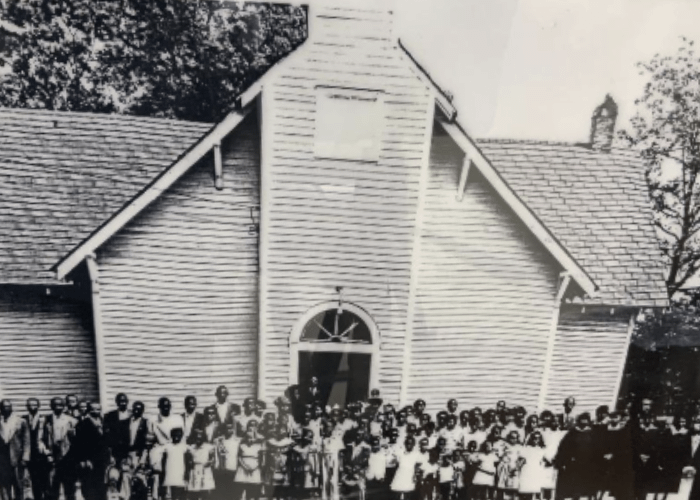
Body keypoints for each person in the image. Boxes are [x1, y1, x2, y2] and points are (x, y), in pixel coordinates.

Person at [555, 412, 596, 500]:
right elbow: (564, 447)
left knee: (582, 487)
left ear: (588, 421)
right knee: (573, 486)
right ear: (579, 421)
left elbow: (595, 448)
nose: (584, 421)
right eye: (582, 419)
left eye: (586, 419)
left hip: (586, 464)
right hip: (573, 463)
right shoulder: (572, 432)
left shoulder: (592, 433)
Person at [74, 402, 110, 500]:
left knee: (101, 483)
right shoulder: (82, 424)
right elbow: (79, 444)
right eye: (93, 409)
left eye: (98, 409)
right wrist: (84, 459)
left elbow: (107, 441)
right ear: (89, 410)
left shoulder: (103, 423)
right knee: (89, 483)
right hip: (89, 459)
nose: (96, 411)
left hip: (101, 458)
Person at [43, 396, 77, 500]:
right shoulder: (46, 420)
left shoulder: (71, 420)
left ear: (64, 406)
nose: (58, 407)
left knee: (69, 486)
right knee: (53, 486)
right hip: (52, 456)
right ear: (51, 406)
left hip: (67, 456)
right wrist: (47, 452)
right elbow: (40, 439)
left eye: (60, 405)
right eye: (55, 405)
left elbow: (77, 441)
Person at [0, 399, 30, 500]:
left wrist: (25, 457)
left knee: (18, 484)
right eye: (3, 407)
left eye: (8, 406)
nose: (6, 409)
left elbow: (26, 441)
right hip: (2, 459)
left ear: (11, 408)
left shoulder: (20, 421)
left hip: (17, 458)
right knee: (4, 485)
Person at [24, 398, 50, 500]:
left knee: (45, 480)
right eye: (30, 405)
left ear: (39, 406)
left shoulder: (45, 419)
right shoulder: (23, 419)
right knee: (34, 481)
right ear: (27, 407)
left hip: (43, 454)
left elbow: (49, 437)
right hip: (31, 455)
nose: (32, 407)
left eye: (35, 405)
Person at [235, 421, 264, 500]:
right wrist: (245, 466)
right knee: (242, 489)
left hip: (255, 468)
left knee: (253, 489)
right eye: (249, 430)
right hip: (243, 468)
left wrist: (254, 467)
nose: (250, 433)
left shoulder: (259, 444)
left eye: (252, 431)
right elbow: (239, 457)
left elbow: (261, 458)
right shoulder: (242, 444)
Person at [186, 428, 216, 499]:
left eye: (200, 436)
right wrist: (190, 462)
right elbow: (189, 460)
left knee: (205, 491)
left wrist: (209, 462)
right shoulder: (191, 448)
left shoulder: (209, 447)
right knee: (195, 492)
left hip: (205, 470)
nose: (198, 438)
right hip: (195, 470)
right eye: (197, 436)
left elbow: (213, 460)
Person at [390, 436, 422, 500]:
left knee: (407, 495)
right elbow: (393, 461)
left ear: (413, 444)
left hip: (409, 476)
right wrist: (394, 460)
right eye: (407, 443)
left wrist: (415, 476)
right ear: (405, 444)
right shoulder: (400, 452)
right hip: (400, 475)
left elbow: (418, 466)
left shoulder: (416, 454)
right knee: (397, 494)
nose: (409, 445)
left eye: (411, 444)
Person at [518, 431, 547, 500]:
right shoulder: (526, 449)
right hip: (527, 471)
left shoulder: (541, 450)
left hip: (536, 471)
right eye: (534, 438)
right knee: (525, 492)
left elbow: (545, 461)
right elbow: (520, 461)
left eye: (538, 438)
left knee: (535, 492)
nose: (536, 440)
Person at [496, 430, 523, 500]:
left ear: (517, 439)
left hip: (514, 468)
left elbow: (521, 459)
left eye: (515, 438)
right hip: (505, 468)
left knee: (514, 487)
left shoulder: (519, 447)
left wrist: (517, 467)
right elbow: (500, 455)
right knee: (505, 488)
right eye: (511, 437)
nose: (513, 440)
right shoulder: (505, 445)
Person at [162, 428, 188, 500]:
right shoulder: (167, 447)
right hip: (170, 474)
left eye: (178, 435)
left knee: (180, 494)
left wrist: (186, 474)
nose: (176, 437)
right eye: (174, 435)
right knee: (170, 495)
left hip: (180, 473)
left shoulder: (184, 447)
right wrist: (164, 473)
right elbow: (163, 461)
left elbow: (186, 461)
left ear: (181, 436)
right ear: (171, 436)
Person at [105, 393, 131, 465]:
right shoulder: (110, 415)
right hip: (115, 449)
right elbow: (107, 434)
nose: (123, 403)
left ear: (127, 402)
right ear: (117, 402)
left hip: (128, 448)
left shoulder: (132, 415)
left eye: (124, 401)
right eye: (120, 401)